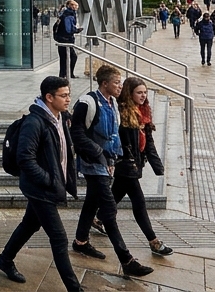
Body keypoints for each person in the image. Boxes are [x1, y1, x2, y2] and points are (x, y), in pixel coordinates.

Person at [0, 76, 81, 291]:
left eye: (69, 94)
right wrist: (49, 180)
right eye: (63, 95)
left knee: (30, 224)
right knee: (59, 239)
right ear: (49, 97)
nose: (68, 99)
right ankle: (74, 288)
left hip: (49, 185)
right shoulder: (35, 122)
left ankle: (5, 259)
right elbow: (25, 158)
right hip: (40, 188)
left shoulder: (59, 117)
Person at [70, 64, 152, 277]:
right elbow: (77, 134)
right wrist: (98, 153)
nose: (120, 86)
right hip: (92, 163)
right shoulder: (87, 103)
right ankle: (126, 259)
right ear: (104, 83)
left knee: (91, 202)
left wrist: (113, 158)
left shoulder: (113, 103)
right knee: (109, 210)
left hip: (106, 163)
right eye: (116, 82)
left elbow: (114, 134)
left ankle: (80, 241)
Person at [113, 77, 172, 257]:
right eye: (139, 92)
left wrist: (157, 166)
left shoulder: (143, 111)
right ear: (130, 93)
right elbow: (121, 142)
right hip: (126, 165)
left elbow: (149, 143)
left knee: (113, 196)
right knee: (139, 202)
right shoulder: (122, 112)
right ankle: (153, 241)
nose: (143, 96)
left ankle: (95, 220)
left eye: (145, 92)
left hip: (135, 164)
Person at [55, 0, 81, 78]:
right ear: (70, 5)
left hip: (61, 39)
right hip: (66, 40)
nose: (75, 7)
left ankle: (63, 75)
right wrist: (77, 30)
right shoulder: (69, 15)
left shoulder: (64, 13)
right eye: (74, 6)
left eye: (76, 6)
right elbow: (68, 29)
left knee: (63, 58)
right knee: (72, 56)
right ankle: (68, 74)